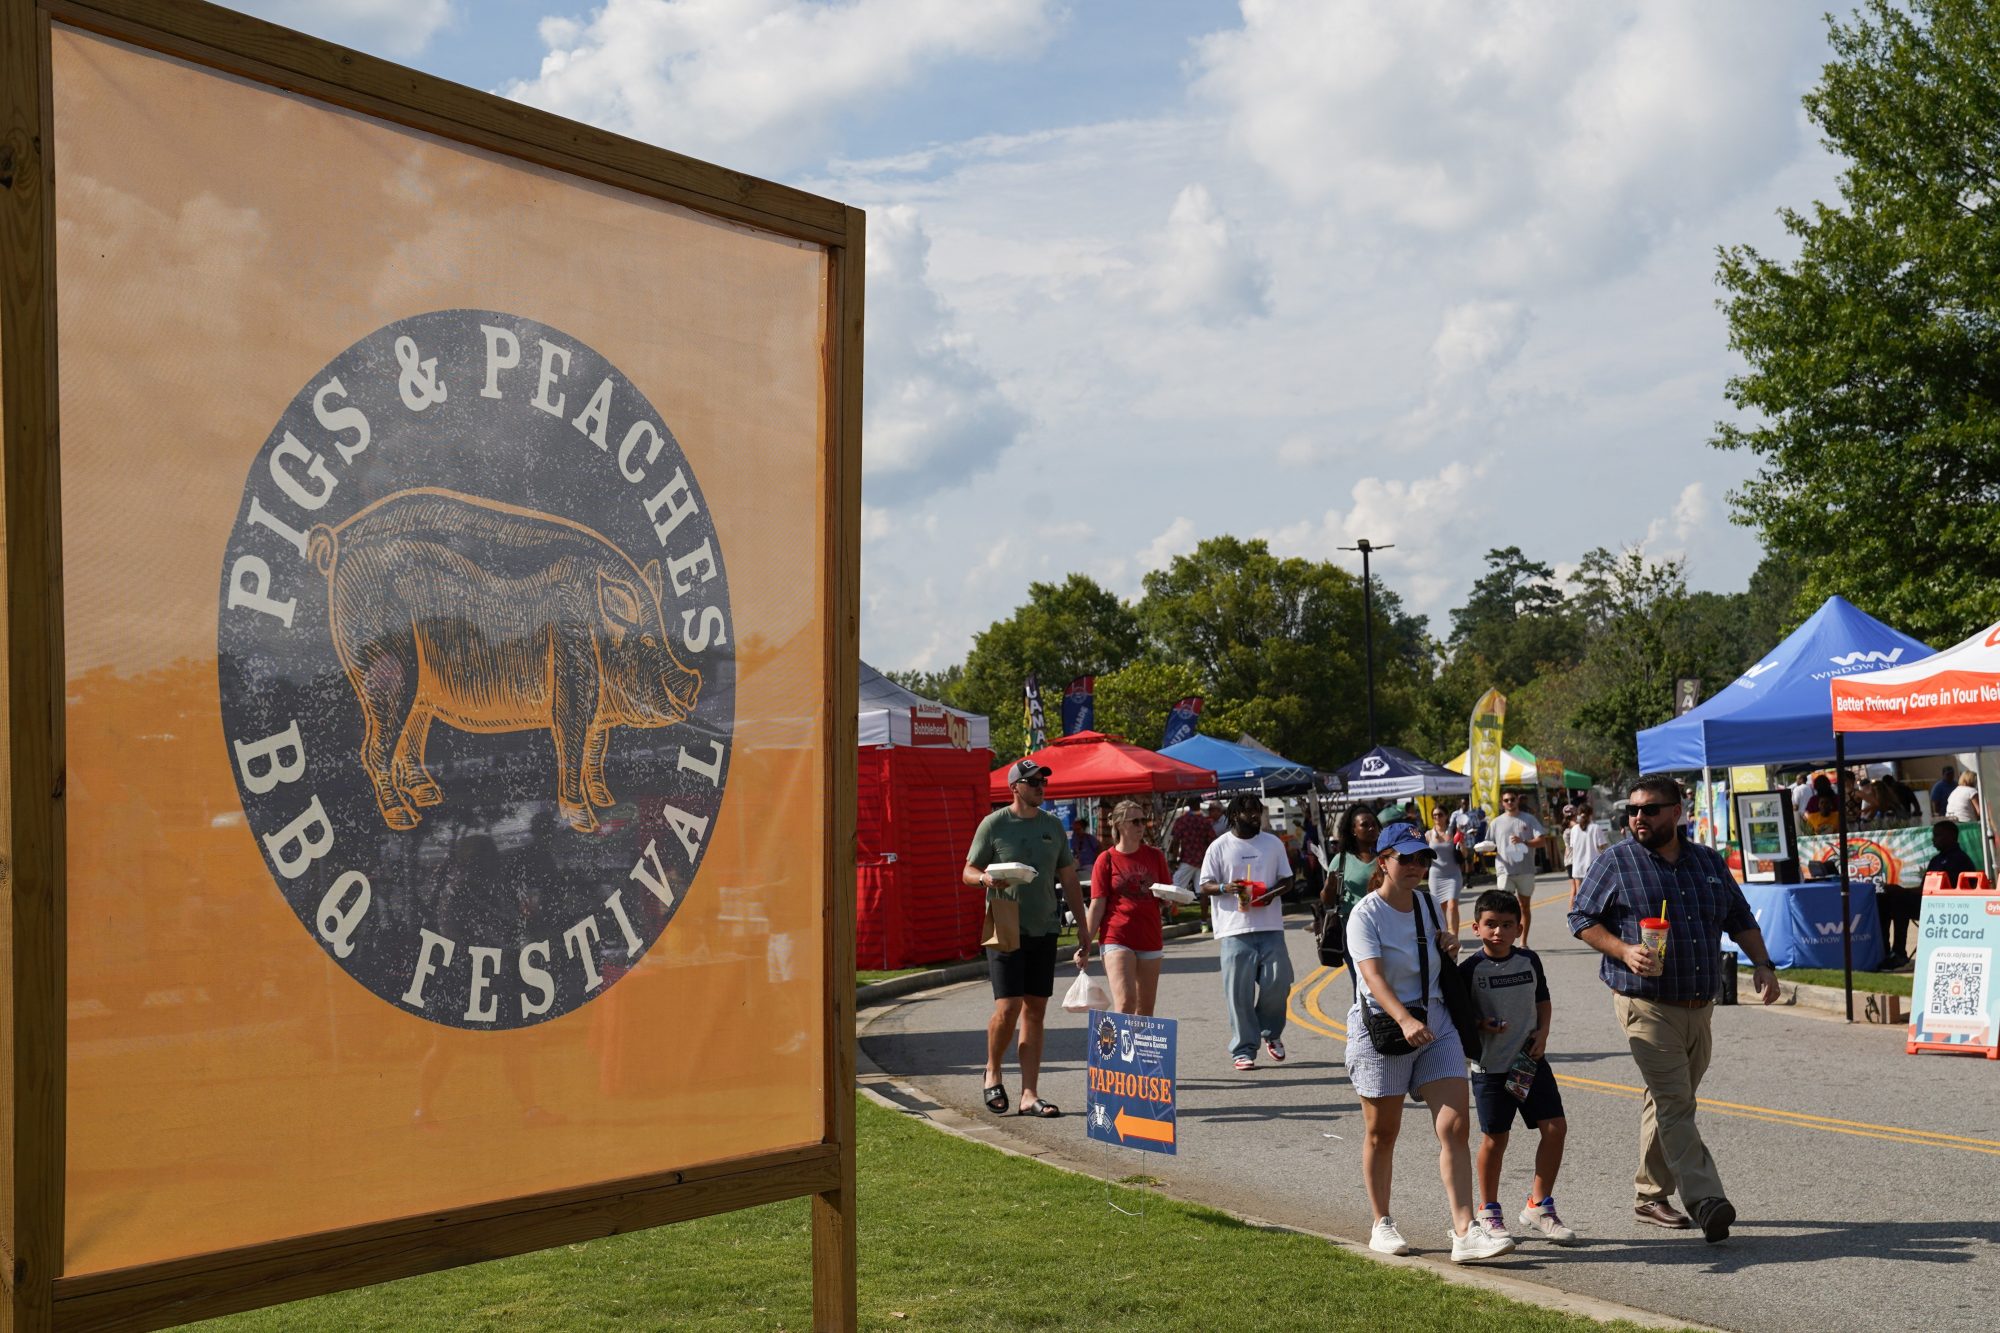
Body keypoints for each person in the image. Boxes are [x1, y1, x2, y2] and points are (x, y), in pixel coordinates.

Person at [1568, 775, 1780, 1243]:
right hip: (1644, 1003)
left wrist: (1762, 964)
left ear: (1677, 811)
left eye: (1649, 809)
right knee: (1676, 1102)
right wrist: (1622, 950)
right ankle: (1706, 1199)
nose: (1638, 818)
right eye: (1632, 810)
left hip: (1699, 1004)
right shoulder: (1617, 862)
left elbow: (1738, 917)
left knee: (1668, 1100)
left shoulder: (1706, 862)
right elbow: (1580, 918)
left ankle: (1649, 1195)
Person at [1345, 825, 1512, 1263]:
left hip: (1435, 1019)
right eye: (1407, 859)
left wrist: (1448, 944)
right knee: (1383, 1132)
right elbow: (1372, 976)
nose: (1417, 868)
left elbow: (1436, 953)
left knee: (1455, 1127)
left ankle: (1465, 1230)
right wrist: (1402, 1019)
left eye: (1422, 860)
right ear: (1384, 861)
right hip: (1383, 1026)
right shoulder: (1365, 914)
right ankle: (1381, 1223)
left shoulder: (1426, 904)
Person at [963, 758, 1090, 1119]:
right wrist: (985, 879)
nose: (1040, 787)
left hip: (1044, 926)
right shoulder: (994, 824)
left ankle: (1029, 1094)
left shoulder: (1052, 827)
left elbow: (1068, 878)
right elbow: (968, 872)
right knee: (1008, 1007)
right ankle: (992, 1071)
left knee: (1035, 1009)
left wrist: (1082, 926)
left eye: (1043, 782)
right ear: (1014, 787)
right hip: (1004, 924)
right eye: (1033, 782)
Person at [1459, 890, 1576, 1246]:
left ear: (1518, 927)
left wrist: (1543, 1033)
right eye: (1491, 924)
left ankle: (1539, 1206)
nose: (1498, 932)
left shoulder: (1529, 960)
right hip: (1490, 1067)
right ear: (1476, 927)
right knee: (1495, 1139)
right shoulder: (1469, 969)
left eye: (1506, 925)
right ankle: (1489, 1211)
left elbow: (1543, 1000)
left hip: (1528, 1062)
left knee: (1555, 1128)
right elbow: (1460, 1017)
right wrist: (1481, 1023)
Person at [1197, 794, 1295, 1070]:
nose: (1256, 818)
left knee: (1278, 983)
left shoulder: (1272, 843)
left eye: (1258, 813)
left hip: (1270, 925)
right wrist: (1226, 888)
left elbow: (1287, 880)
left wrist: (1271, 894)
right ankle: (1243, 1049)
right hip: (1234, 929)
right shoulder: (1219, 847)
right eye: (1250, 813)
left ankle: (1271, 1033)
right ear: (1235, 814)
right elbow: (1204, 885)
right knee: (1238, 993)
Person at [1088, 800, 1171, 1015]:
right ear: (1118, 824)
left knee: (1145, 1011)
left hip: (1149, 935)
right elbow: (1097, 905)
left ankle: (1137, 1050)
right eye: (1135, 821)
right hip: (1117, 935)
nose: (1141, 825)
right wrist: (1085, 942)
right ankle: (1118, 1050)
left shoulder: (1155, 856)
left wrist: (1169, 898)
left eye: (1144, 820)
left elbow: (1166, 892)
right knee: (1125, 1003)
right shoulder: (1105, 859)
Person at [1489, 792, 1547, 944]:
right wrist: (1483, 849)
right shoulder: (1495, 822)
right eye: (1506, 800)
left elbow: (1541, 841)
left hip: (1525, 870)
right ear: (1502, 803)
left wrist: (1524, 842)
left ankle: (1523, 942)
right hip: (1504, 870)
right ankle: (1505, 941)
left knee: (1524, 906)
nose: (1509, 802)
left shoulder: (1528, 819)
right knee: (1503, 907)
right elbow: (1489, 844)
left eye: (1512, 799)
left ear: (1517, 801)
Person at [1425, 803, 1467, 934]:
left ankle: (1454, 936)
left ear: (1446, 816)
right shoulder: (1428, 835)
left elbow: (1464, 855)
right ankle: (1444, 935)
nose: (1437, 817)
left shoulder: (1454, 832)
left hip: (1453, 873)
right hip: (1436, 875)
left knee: (1453, 905)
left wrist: (1461, 845)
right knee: (1440, 908)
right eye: (1434, 815)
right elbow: (1424, 856)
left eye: (1440, 814)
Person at [1169, 798, 1218, 895]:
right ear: (1199, 805)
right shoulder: (1205, 822)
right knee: (1203, 889)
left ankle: (1171, 909)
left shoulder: (1182, 820)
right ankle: (1205, 911)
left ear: (1188, 805)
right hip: (1202, 859)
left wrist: (1174, 859)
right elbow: (1212, 841)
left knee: (1175, 887)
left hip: (1188, 859)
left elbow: (1175, 841)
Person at [1565, 807, 1607, 908]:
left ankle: (1578, 920)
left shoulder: (1574, 829)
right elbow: (1602, 846)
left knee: (1580, 897)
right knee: (1596, 896)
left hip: (1578, 868)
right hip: (1594, 867)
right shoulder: (1596, 827)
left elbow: (1573, 846)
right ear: (1591, 814)